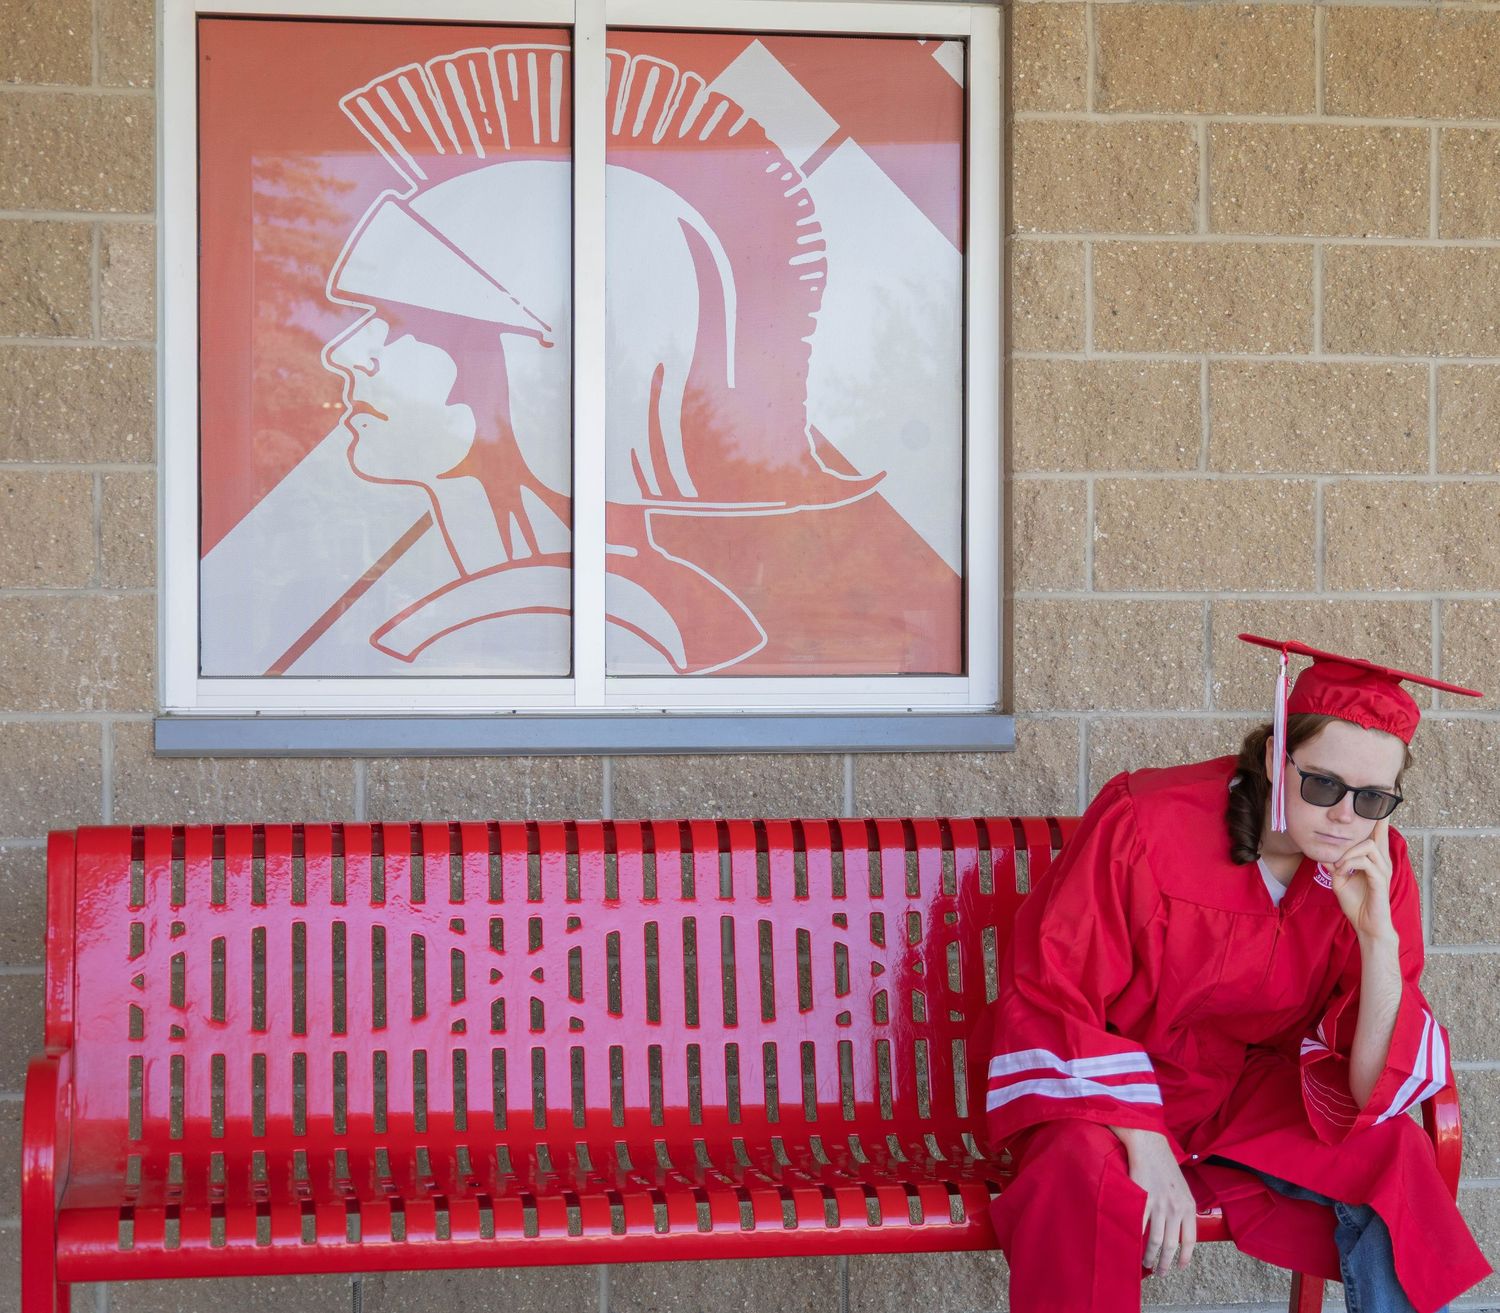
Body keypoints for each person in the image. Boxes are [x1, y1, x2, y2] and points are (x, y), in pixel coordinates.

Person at [983, 634, 1494, 1313]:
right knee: (1077, 1175)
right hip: (1106, 1092)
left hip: (1238, 1092)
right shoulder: (1148, 822)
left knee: (1394, 1156)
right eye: (1322, 784)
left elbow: (1369, 1088)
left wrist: (1377, 937)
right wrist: (1147, 1138)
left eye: (1373, 798)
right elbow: (1052, 992)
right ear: (1273, 757)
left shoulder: (1376, 867)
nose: (1345, 816)